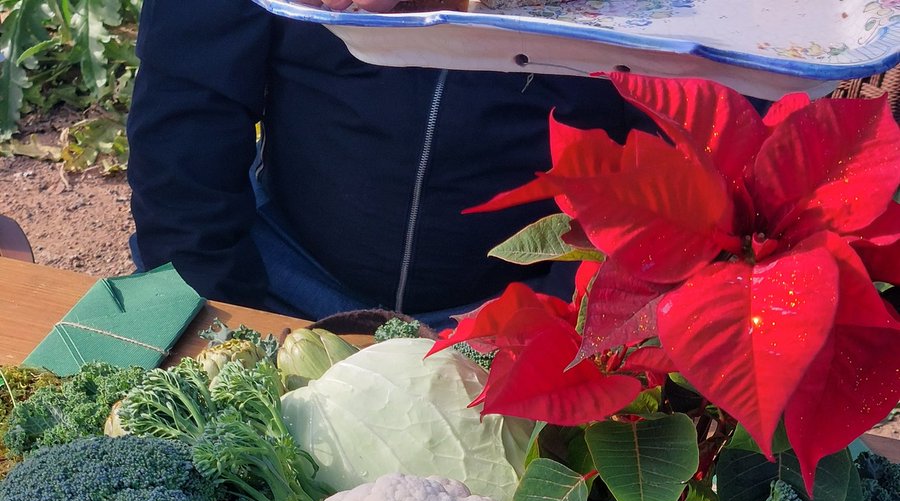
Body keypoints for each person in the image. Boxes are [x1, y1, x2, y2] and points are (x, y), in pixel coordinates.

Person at [126, 0, 650, 324]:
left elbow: (690, 156)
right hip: (282, 268)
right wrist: (223, 308)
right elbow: (189, 104)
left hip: (532, 310)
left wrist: (572, 317)